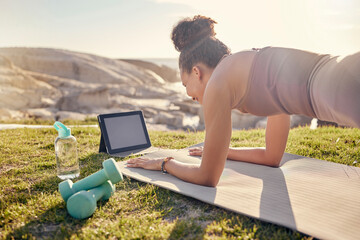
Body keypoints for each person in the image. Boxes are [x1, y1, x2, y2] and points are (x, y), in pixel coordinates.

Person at [127, 15, 360, 187]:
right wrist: (223, 151)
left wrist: (163, 164)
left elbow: (207, 177)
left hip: (344, 87)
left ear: (196, 72)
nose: (189, 94)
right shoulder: (254, 68)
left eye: (185, 83)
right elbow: (272, 157)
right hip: (343, 73)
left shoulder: (218, 83)